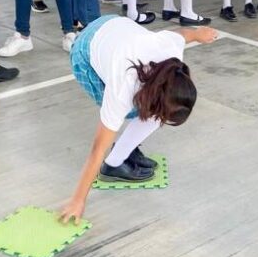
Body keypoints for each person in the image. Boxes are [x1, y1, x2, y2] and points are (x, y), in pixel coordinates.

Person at [59, 17, 217, 224]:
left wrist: (198, 33)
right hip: (85, 49)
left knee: (152, 111)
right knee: (132, 113)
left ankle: (125, 150)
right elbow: (98, 149)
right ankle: (113, 165)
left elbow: (183, 34)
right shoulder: (123, 88)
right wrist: (78, 200)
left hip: (114, 25)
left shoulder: (172, 55)